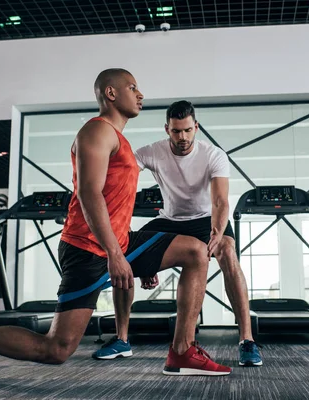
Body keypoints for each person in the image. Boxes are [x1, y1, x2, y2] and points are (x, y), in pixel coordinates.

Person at [0, 70, 231, 382]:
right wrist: (114, 254)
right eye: (132, 87)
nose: (140, 95)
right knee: (56, 349)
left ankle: (182, 350)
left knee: (195, 252)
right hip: (88, 250)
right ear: (111, 93)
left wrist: (138, 256)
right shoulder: (97, 132)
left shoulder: (119, 139)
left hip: (118, 242)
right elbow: (88, 192)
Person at [91, 100, 262, 367]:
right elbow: (121, 173)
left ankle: (247, 340)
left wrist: (217, 232)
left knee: (228, 251)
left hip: (206, 218)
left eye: (187, 130)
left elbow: (220, 201)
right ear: (167, 129)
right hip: (169, 220)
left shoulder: (213, 155)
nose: (182, 137)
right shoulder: (152, 152)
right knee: (125, 251)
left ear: (196, 127)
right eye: (176, 131)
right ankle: (122, 339)